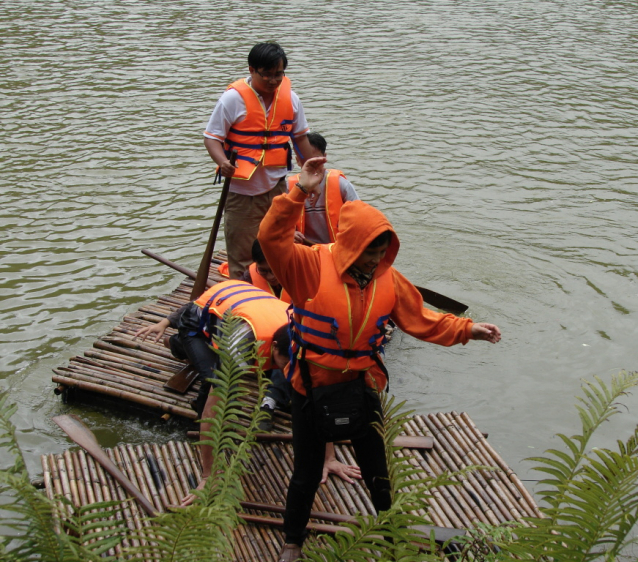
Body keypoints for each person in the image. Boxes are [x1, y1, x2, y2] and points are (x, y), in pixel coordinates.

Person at [257, 157, 502, 562]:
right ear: (351, 245)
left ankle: (391, 538)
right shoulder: (308, 266)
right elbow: (271, 237)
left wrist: (467, 330)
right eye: (369, 253)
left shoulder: (390, 278)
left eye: (382, 252)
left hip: (363, 386)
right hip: (310, 385)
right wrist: (299, 190)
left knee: (378, 471)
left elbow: (422, 319)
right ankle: (292, 542)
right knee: (305, 473)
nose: (374, 261)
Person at [134, 280, 359, 503]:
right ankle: (178, 344)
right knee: (213, 380)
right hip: (197, 322)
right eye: (285, 362)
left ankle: (178, 346)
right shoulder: (243, 343)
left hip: (240, 305)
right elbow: (214, 410)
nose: (290, 369)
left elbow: (318, 400)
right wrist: (208, 476)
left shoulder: (305, 339)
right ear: (272, 347)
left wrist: (328, 459)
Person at [204, 42, 316, 280]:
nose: (273, 81)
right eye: (266, 75)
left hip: (276, 187)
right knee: (243, 256)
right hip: (242, 191)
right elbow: (211, 138)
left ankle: (279, 300)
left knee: (280, 246)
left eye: (278, 74)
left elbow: (301, 138)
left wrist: (315, 166)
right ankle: (243, 305)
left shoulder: (291, 99)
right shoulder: (233, 100)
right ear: (252, 70)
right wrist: (222, 161)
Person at [286, 132, 359, 245]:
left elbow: (359, 216)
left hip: (336, 248)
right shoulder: (289, 187)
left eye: (316, 159)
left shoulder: (341, 184)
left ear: (324, 157)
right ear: (297, 160)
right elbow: (275, 221)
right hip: (304, 249)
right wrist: (289, 233)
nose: (311, 164)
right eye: (306, 160)